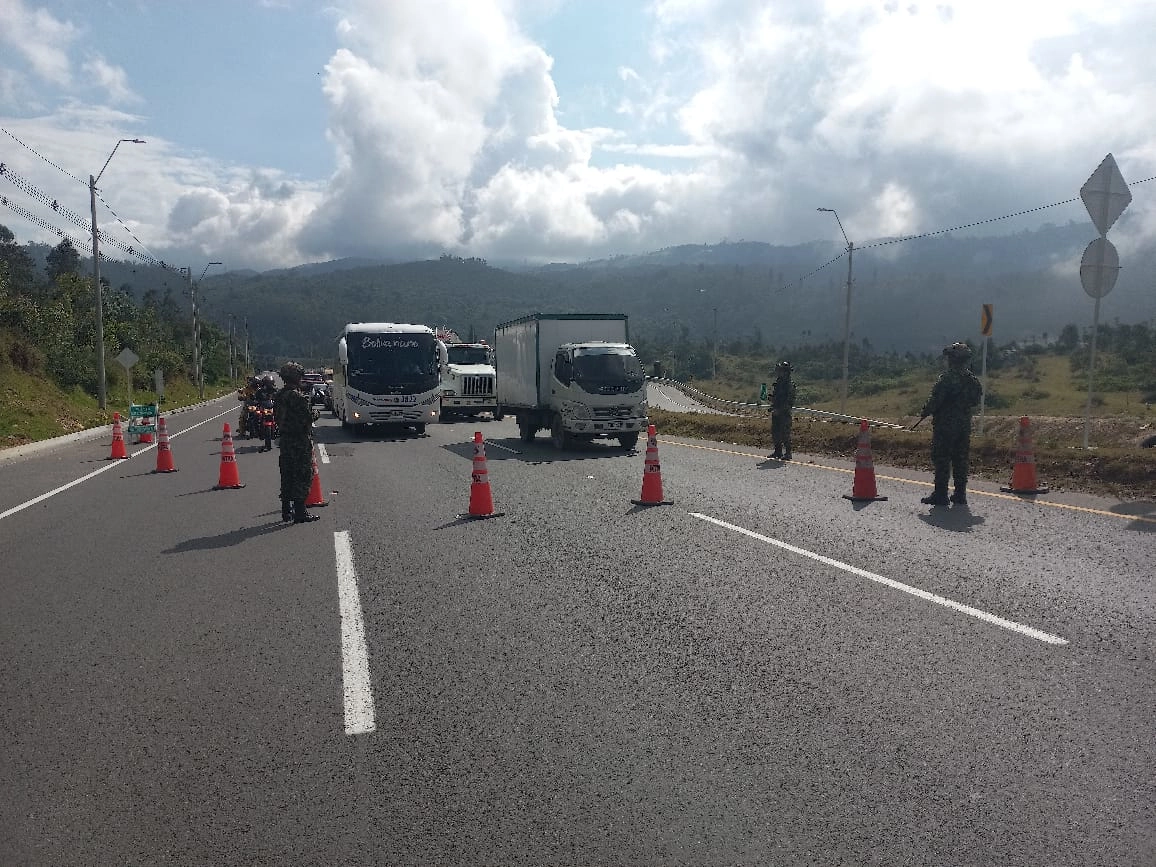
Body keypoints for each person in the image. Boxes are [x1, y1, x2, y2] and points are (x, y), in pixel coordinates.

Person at [918, 342, 983, 506]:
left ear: (953, 360)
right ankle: (960, 494)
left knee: (942, 458)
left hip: (946, 426)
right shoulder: (972, 380)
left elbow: (935, 401)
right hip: (964, 426)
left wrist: (925, 412)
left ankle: (941, 494)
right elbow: (975, 400)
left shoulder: (946, 379)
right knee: (960, 459)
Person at [274, 362, 320, 523]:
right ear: (296, 377)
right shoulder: (297, 397)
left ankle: (286, 510)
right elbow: (309, 416)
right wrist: (316, 412)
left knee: (287, 473)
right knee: (302, 474)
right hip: (299, 440)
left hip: (285, 439)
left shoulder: (279, 395)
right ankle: (300, 511)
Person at [769, 360, 796, 460]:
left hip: (784, 412)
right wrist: (772, 399)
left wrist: (780, 410)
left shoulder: (789, 385)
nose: (778, 372)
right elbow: (777, 397)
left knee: (785, 433)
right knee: (775, 432)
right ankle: (778, 452)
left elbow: (788, 401)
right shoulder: (779, 383)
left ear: (786, 372)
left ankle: (788, 453)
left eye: (781, 371)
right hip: (776, 411)